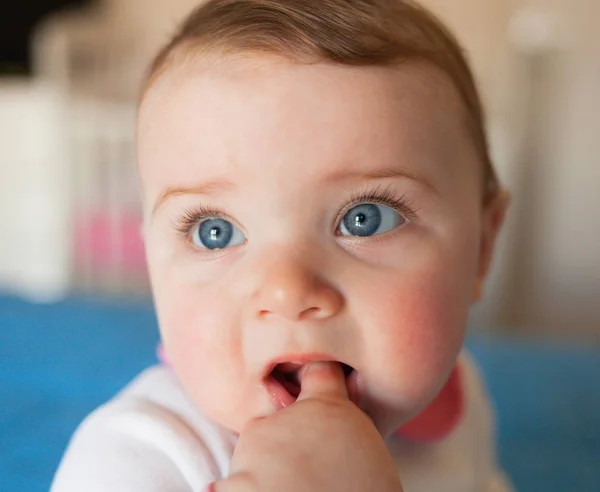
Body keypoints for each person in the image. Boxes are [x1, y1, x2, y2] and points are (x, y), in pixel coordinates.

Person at [52, 0, 514, 490]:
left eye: (364, 219)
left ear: (481, 248)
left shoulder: (454, 405)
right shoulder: (136, 458)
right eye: (215, 230)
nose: (287, 290)